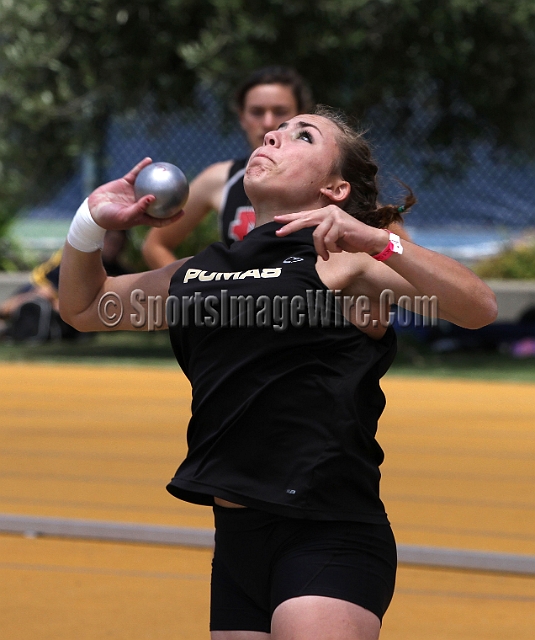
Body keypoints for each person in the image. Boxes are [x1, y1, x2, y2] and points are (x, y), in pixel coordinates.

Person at [59, 106, 497, 640]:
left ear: (335, 190)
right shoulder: (200, 272)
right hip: (238, 540)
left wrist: (381, 242)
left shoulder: (346, 263)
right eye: (276, 131)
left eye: (302, 135)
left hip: (328, 531)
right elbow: (85, 307)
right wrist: (90, 220)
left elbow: (477, 308)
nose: (273, 135)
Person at [141, 66, 314, 268]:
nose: (268, 122)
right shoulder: (221, 179)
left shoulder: (326, 179)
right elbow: (155, 244)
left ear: (302, 117)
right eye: (256, 112)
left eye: (280, 112)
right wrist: (191, 291)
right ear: (242, 118)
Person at [0, 229, 130, 342]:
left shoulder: (119, 271)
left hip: (67, 309)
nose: (115, 247)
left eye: (119, 243)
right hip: (43, 290)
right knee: (40, 297)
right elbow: (46, 284)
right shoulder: (78, 257)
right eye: (112, 242)